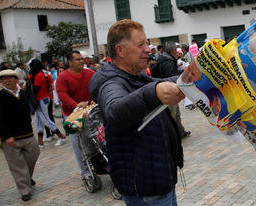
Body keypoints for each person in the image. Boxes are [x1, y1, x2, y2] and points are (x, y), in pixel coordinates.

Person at [88, 19, 200, 205]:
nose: (148, 49)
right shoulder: (111, 83)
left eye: (146, 43)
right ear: (120, 51)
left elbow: (157, 83)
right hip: (145, 189)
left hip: (159, 181)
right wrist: (154, 92)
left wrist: (188, 76)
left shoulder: (134, 75)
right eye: (140, 44)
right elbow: (115, 110)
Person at [0, 69, 40, 201]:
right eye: (4, 79)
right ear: (1, 82)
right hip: (10, 138)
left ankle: (26, 178)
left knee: (34, 155)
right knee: (17, 165)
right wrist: (7, 136)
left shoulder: (23, 94)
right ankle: (25, 190)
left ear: (16, 80)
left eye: (10, 78)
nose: (7, 81)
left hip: (27, 134)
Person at [56, 50, 95, 185]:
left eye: (81, 59)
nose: (81, 61)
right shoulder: (63, 77)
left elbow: (97, 87)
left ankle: (99, 164)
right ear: (70, 62)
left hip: (90, 112)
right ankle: (85, 172)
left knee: (96, 139)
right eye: (77, 59)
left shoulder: (90, 73)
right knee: (78, 144)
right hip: (72, 116)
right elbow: (62, 95)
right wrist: (75, 105)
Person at [156, 42, 191, 139]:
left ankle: (180, 131)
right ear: (173, 51)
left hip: (168, 89)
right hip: (168, 90)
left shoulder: (167, 59)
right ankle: (171, 136)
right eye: (176, 50)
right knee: (172, 114)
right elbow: (170, 76)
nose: (177, 52)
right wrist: (181, 71)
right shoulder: (167, 61)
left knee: (176, 113)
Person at [29, 59, 66, 147]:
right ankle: (40, 142)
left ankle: (61, 137)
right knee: (39, 120)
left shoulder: (37, 76)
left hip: (40, 99)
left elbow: (36, 89)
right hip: (46, 97)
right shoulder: (46, 74)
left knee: (45, 119)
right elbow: (51, 87)